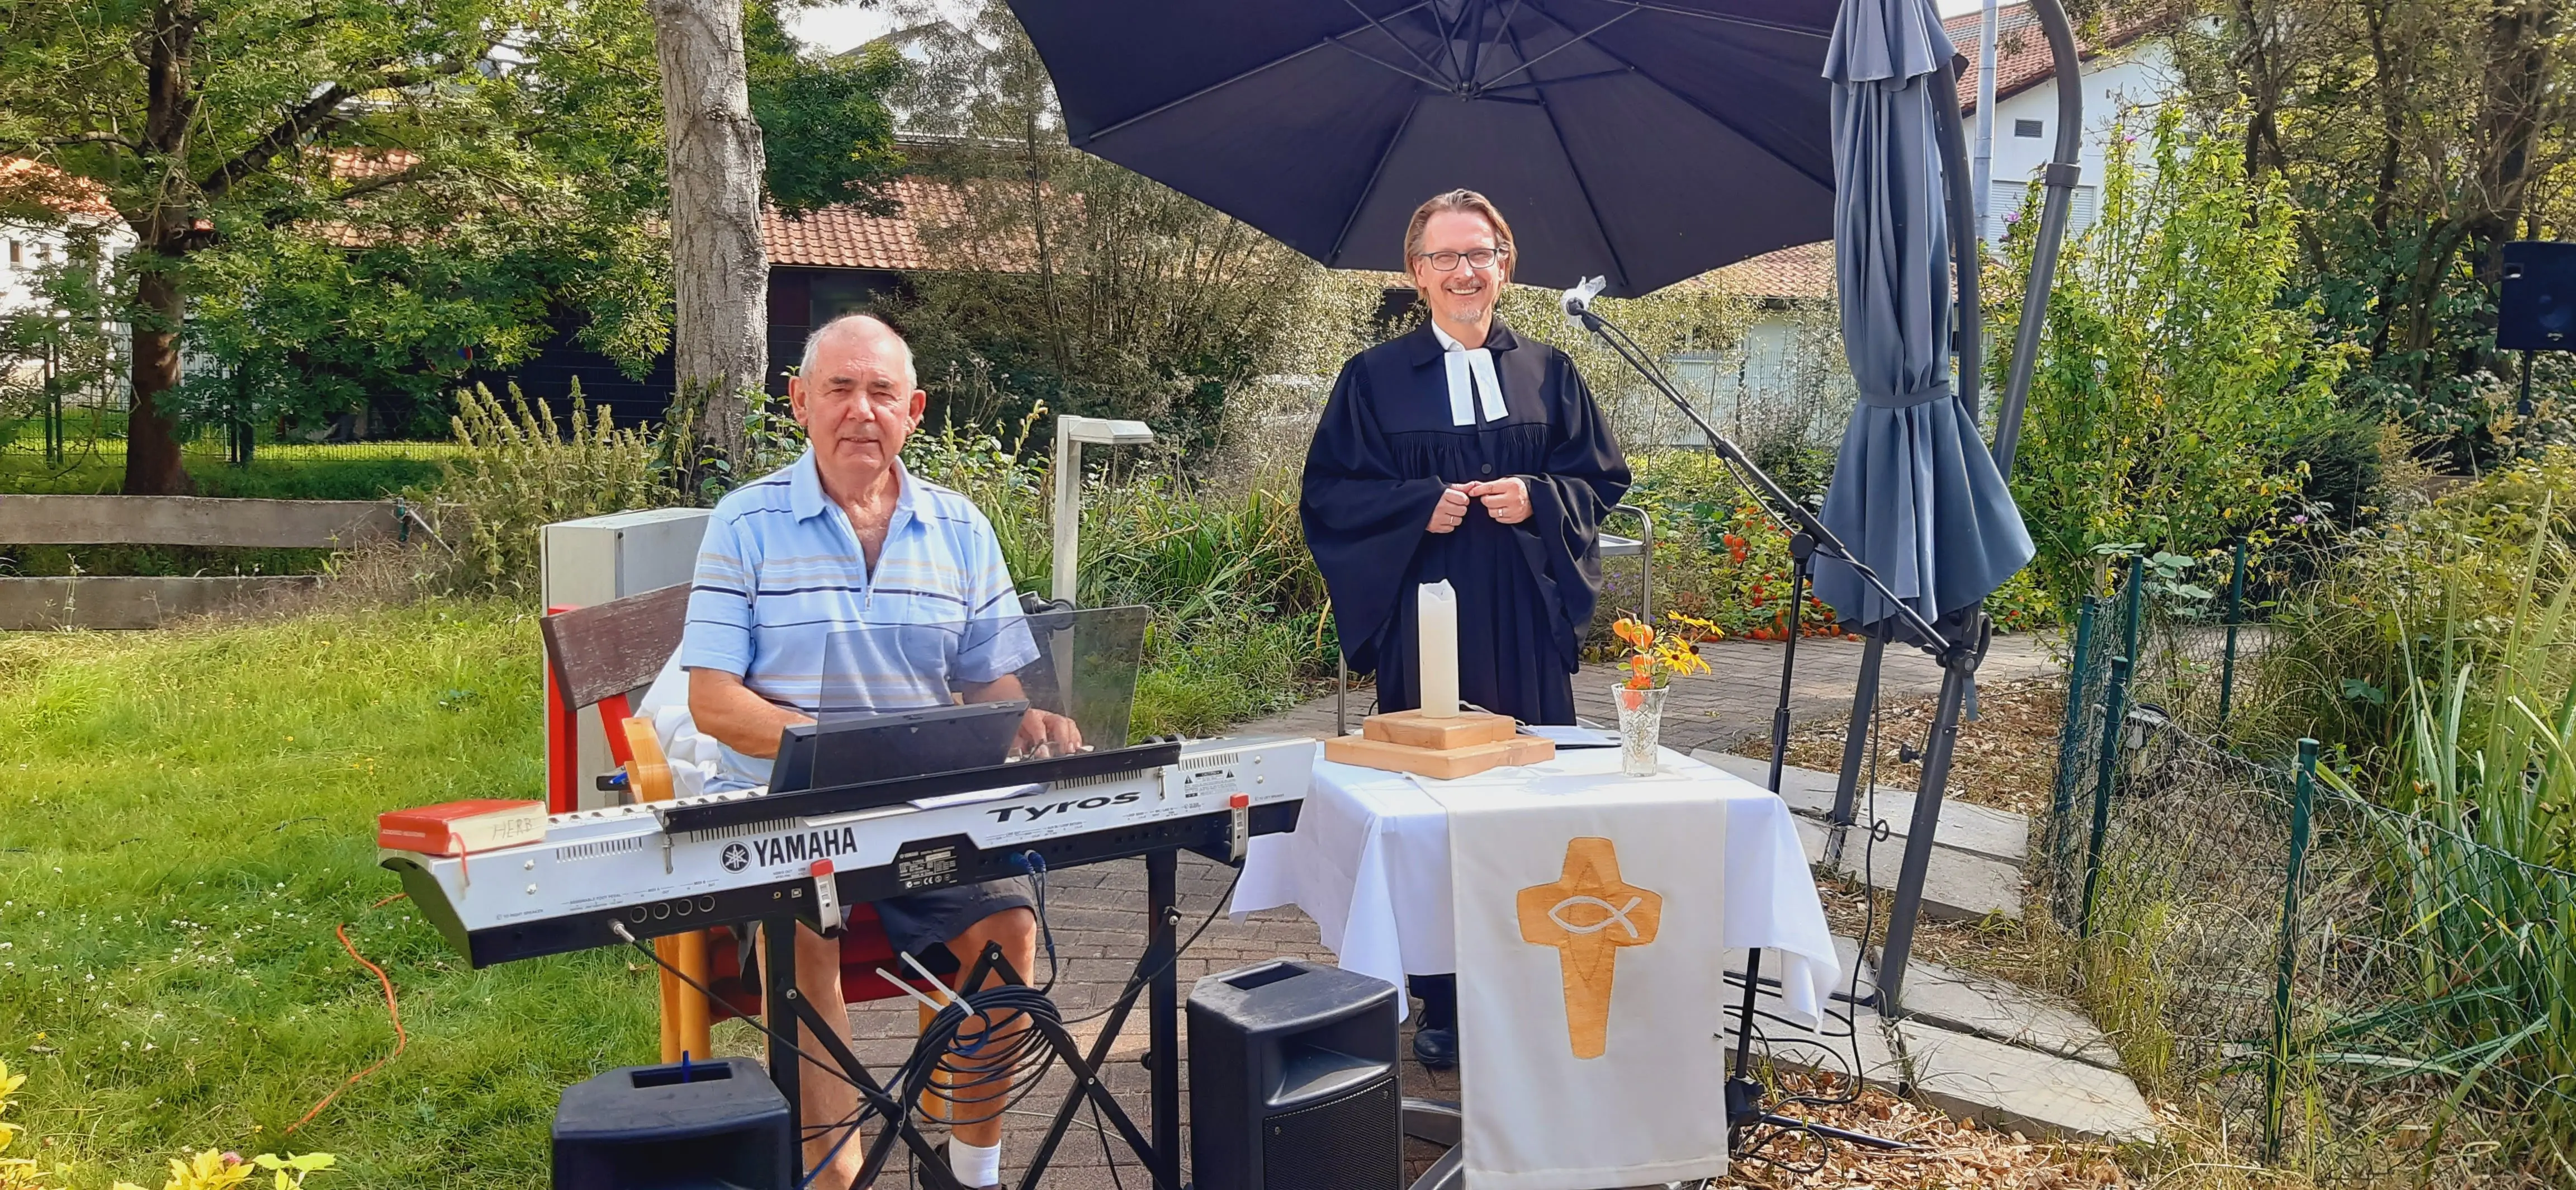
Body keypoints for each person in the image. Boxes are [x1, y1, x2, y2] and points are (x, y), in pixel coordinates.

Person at [681, 313, 1074, 1190]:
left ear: (914, 411)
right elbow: (714, 702)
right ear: (800, 403)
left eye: (882, 393)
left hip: (922, 810)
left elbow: (991, 684)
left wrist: (1028, 722)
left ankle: (971, 1175)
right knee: (805, 946)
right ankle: (840, 1178)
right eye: (840, 389)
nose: (862, 411)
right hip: (789, 811)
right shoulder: (744, 523)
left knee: (1010, 930)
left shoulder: (960, 527)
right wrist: (832, 744)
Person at [1299, 190, 1632, 1069]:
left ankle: (1535, 983)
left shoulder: (1552, 371)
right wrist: (1418, 505)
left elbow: (1602, 478)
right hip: (1426, 620)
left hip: (1524, 615)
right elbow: (1329, 495)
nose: (1463, 272)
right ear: (1416, 273)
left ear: (1505, 265)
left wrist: (1539, 497)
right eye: (1444, 257)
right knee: (1436, 813)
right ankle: (1442, 997)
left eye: (1479, 254)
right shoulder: (1373, 378)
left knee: (1533, 801)